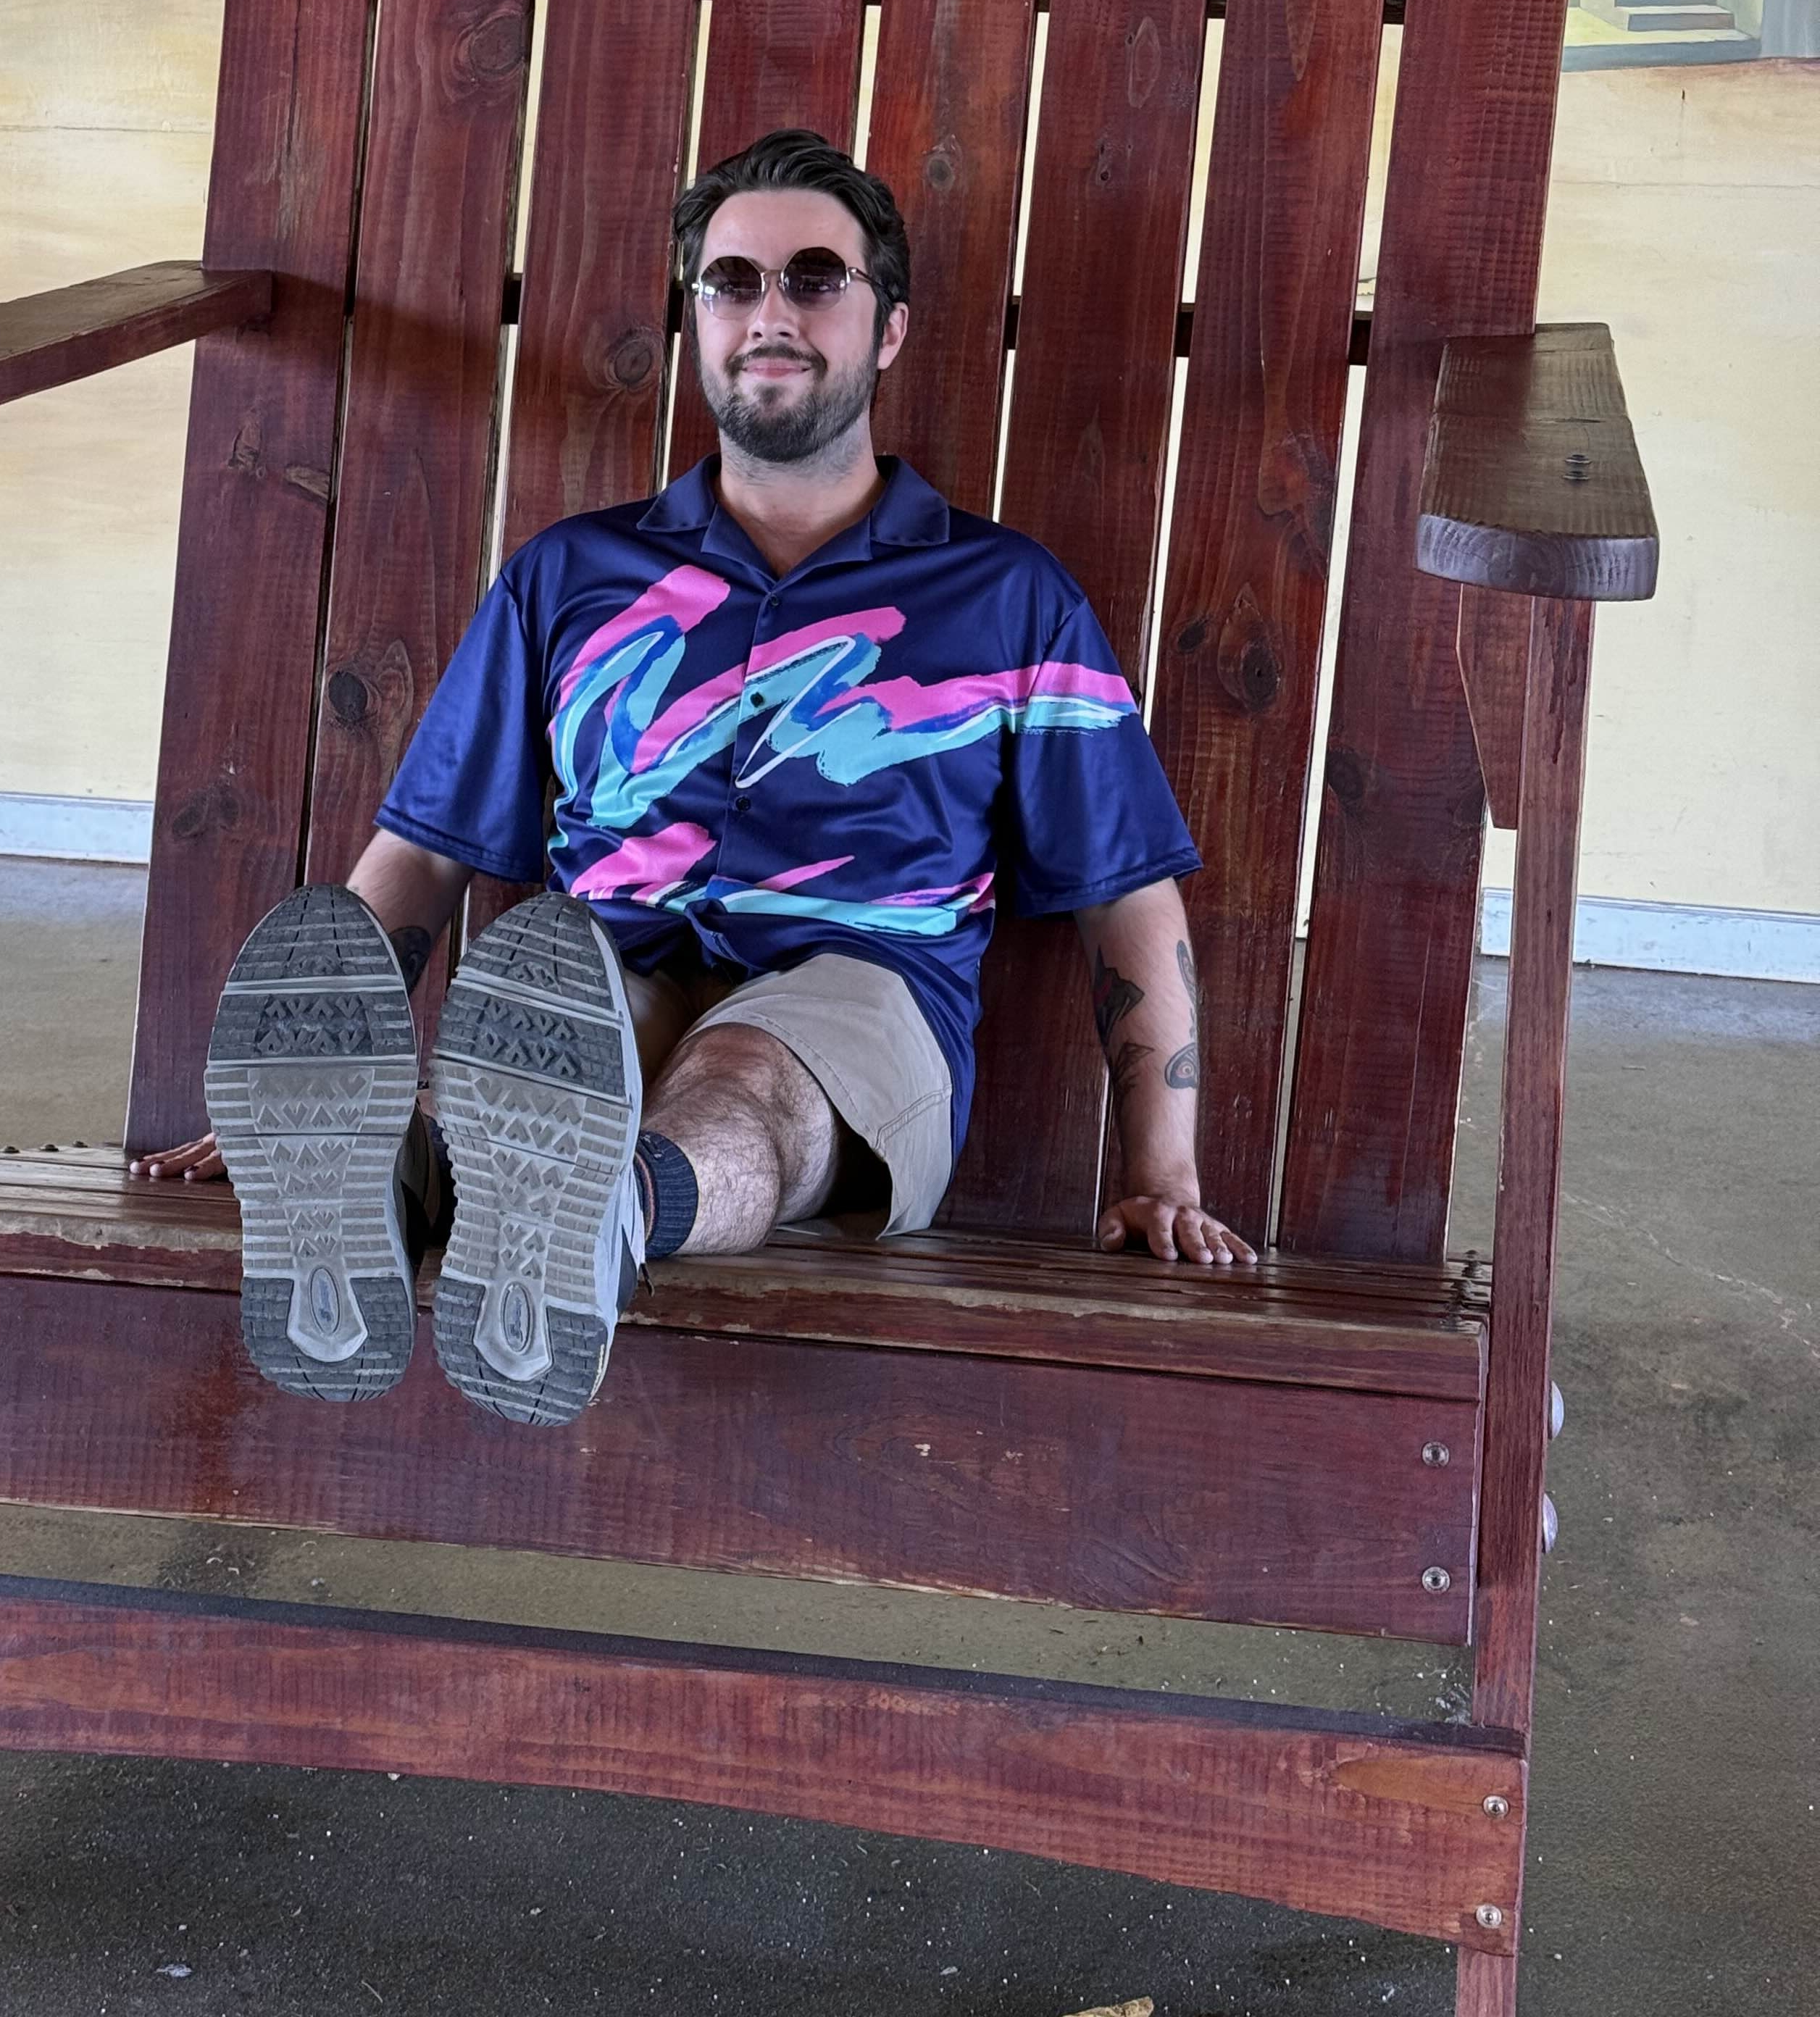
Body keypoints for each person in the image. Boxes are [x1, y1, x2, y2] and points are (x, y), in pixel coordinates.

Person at [135, 129, 1256, 1428]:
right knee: (535, 1069)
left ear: (889, 328)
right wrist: (331, 1079)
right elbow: (428, 850)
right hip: (600, 974)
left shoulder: (1010, 597)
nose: (770, 314)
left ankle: (598, 1221)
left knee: (744, 1073)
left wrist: (1163, 1173)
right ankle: (361, 1183)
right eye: (732, 282)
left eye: (815, 279)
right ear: (698, 323)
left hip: (861, 999)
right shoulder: (570, 577)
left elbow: (1127, 894)